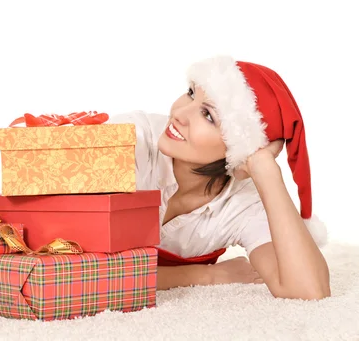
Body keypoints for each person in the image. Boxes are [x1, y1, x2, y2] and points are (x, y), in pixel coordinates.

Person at [107, 55, 331, 300]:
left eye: (208, 115)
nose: (180, 113)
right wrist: (205, 275)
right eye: (191, 93)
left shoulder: (243, 200)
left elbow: (308, 290)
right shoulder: (129, 141)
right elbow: (82, 273)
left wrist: (265, 169)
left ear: (239, 146)